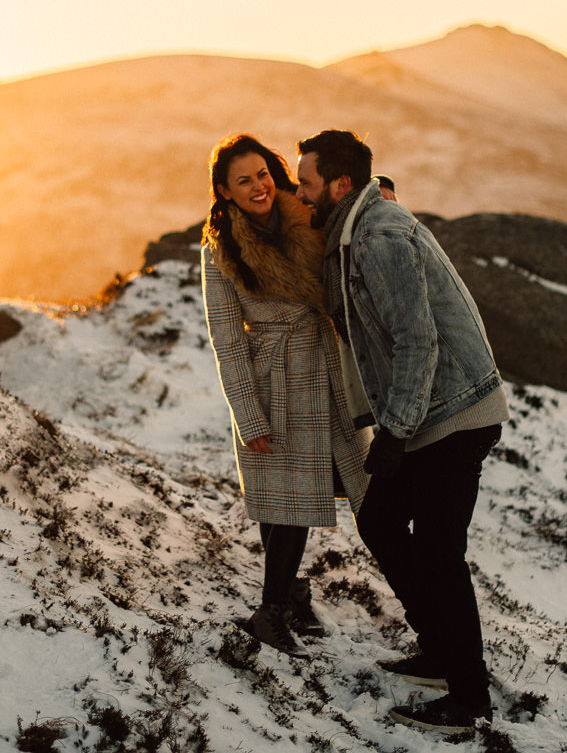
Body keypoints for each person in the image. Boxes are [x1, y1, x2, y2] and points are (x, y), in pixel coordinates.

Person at [296, 129, 509, 738]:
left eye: (307, 184)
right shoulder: (359, 227)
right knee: (382, 521)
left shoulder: (381, 236)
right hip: (429, 415)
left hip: (453, 415)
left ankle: (468, 699)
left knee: (441, 553)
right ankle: (441, 650)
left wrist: (393, 434)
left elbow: (418, 340)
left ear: (340, 185)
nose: (300, 194)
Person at [200, 133, 372, 658]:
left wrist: (381, 189)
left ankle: (291, 594)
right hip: (276, 382)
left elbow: (349, 201)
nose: (258, 187)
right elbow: (227, 343)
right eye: (243, 181)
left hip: (330, 371)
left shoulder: (305, 218)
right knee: (289, 500)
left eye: (263, 174)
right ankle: (271, 612)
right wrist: (247, 416)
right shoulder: (221, 251)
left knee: (309, 497)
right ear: (225, 193)